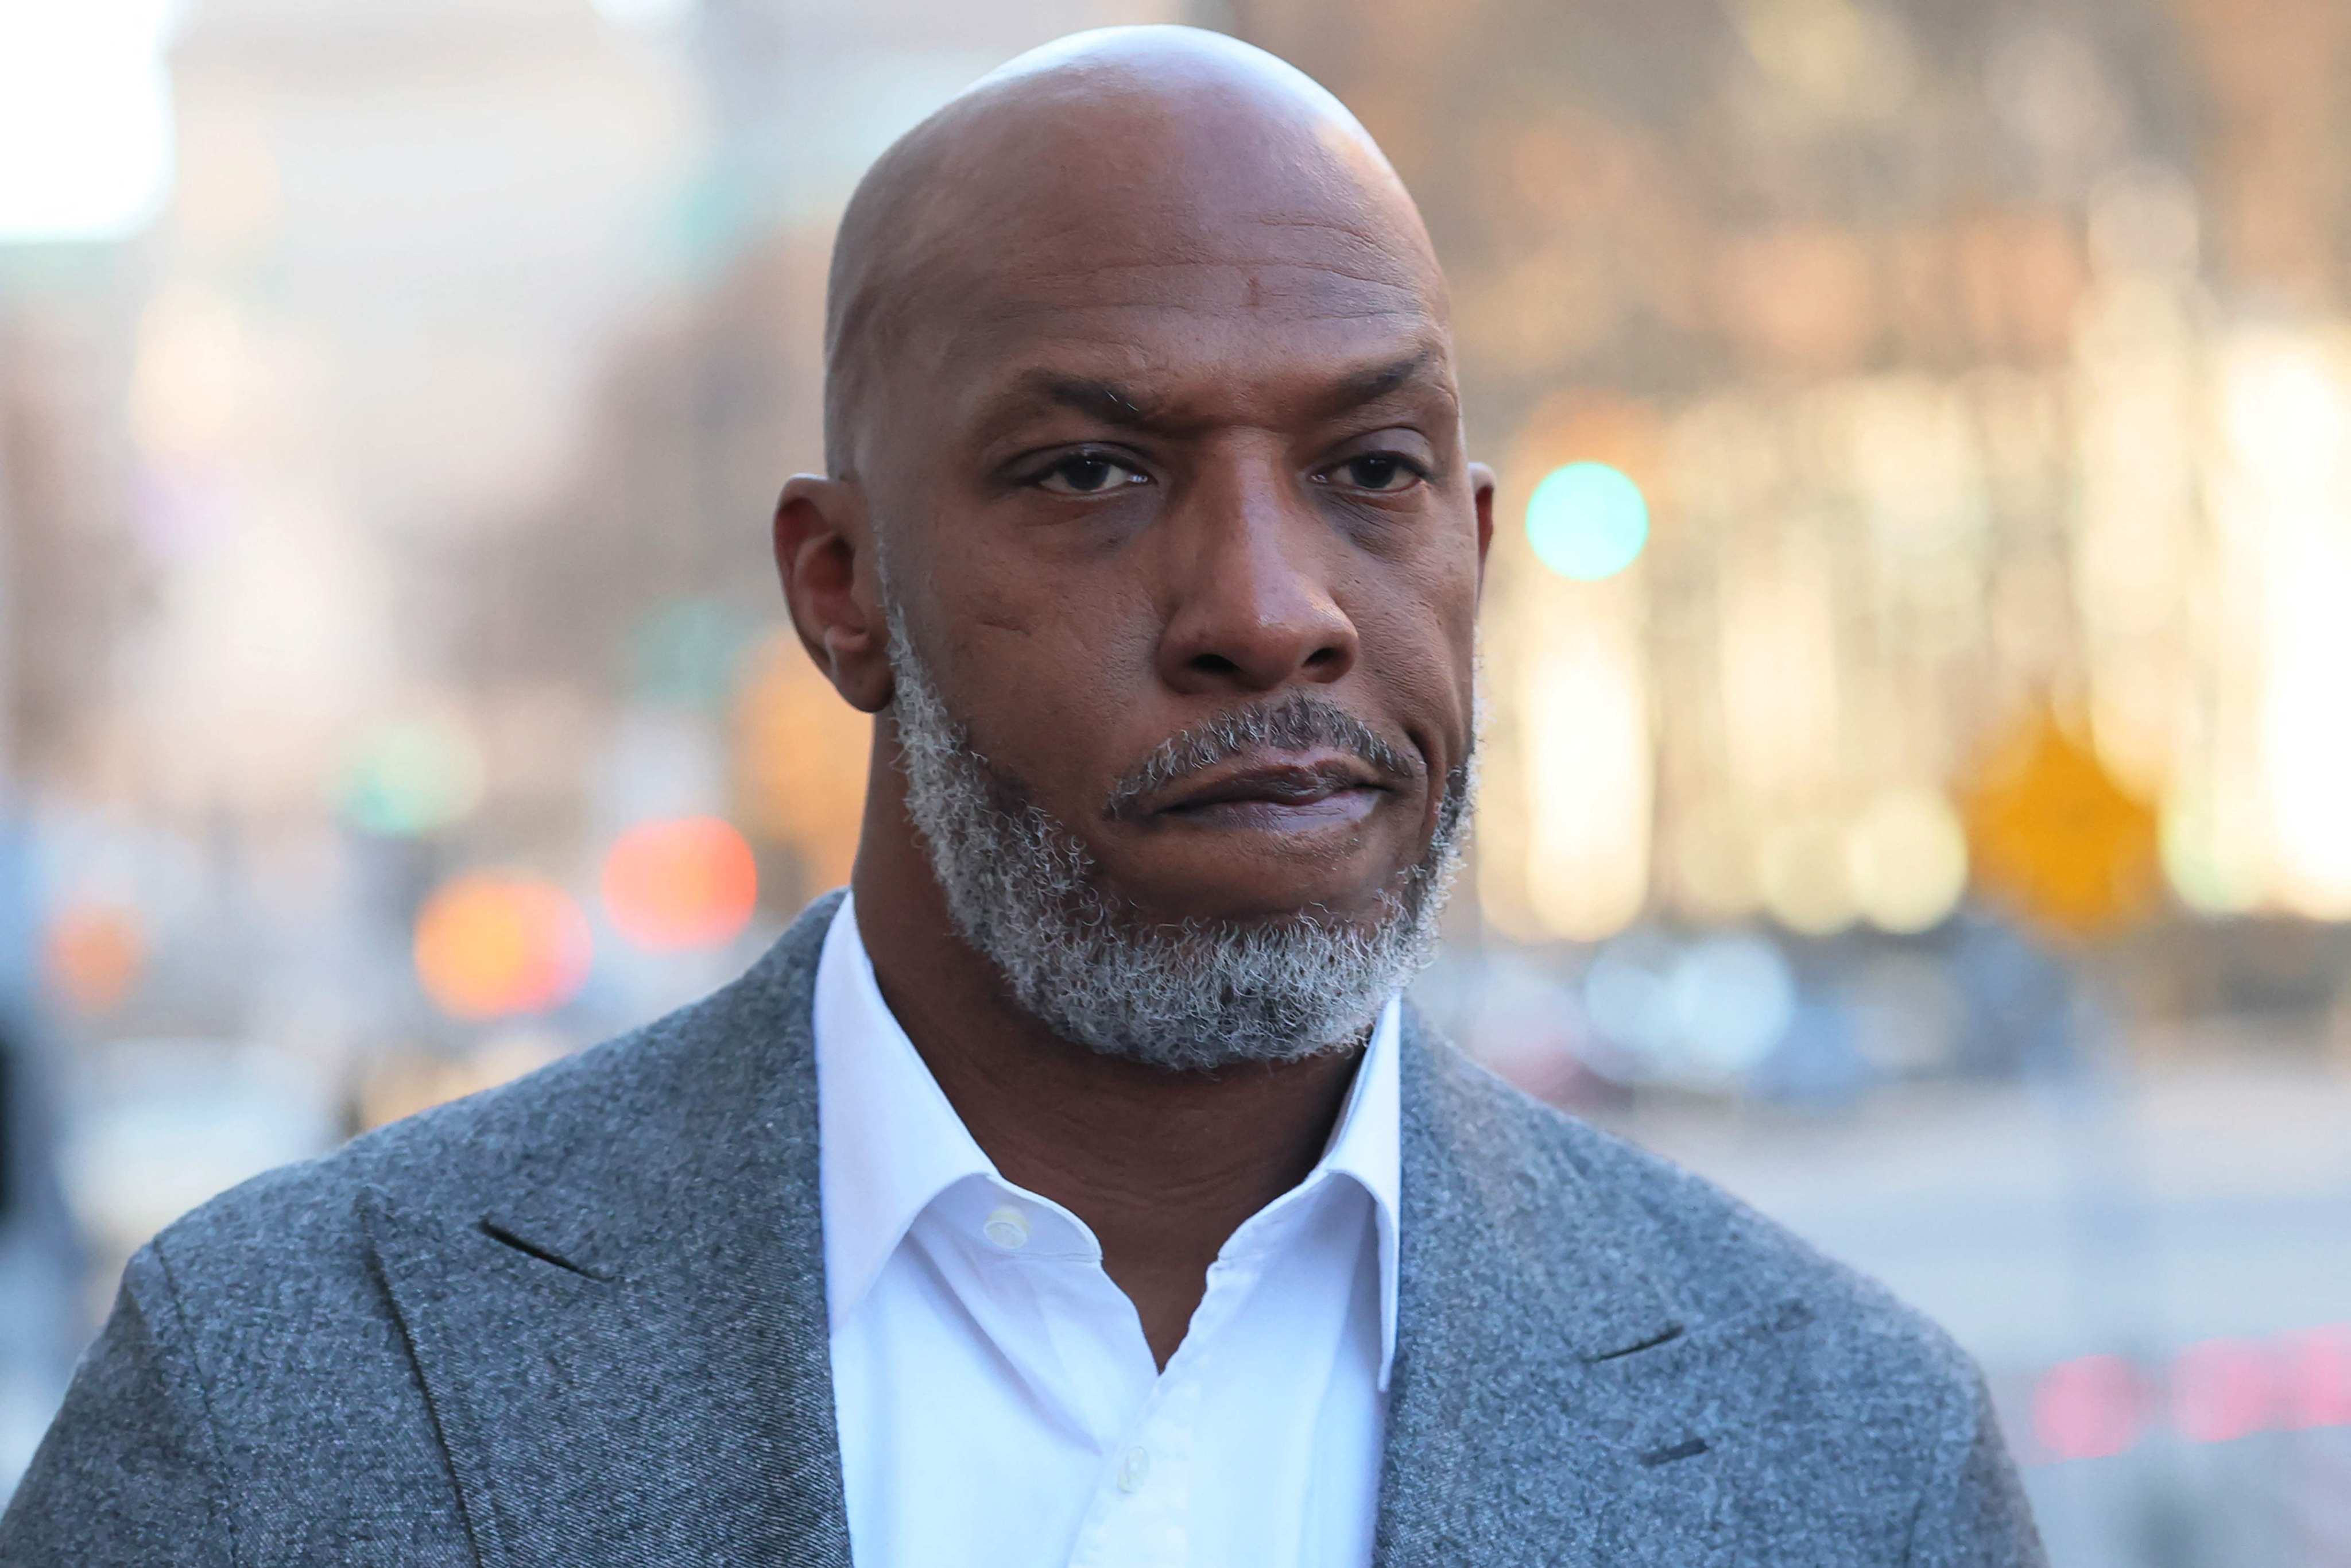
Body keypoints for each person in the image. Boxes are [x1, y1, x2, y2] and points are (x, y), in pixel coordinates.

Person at [0, 26, 2043, 1567]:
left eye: (1373, 470)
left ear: (1477, 554)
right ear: (840, 589)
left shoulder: (1856, 1454)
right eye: (1091, 471)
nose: (1270, 610)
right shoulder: (285, 1394)